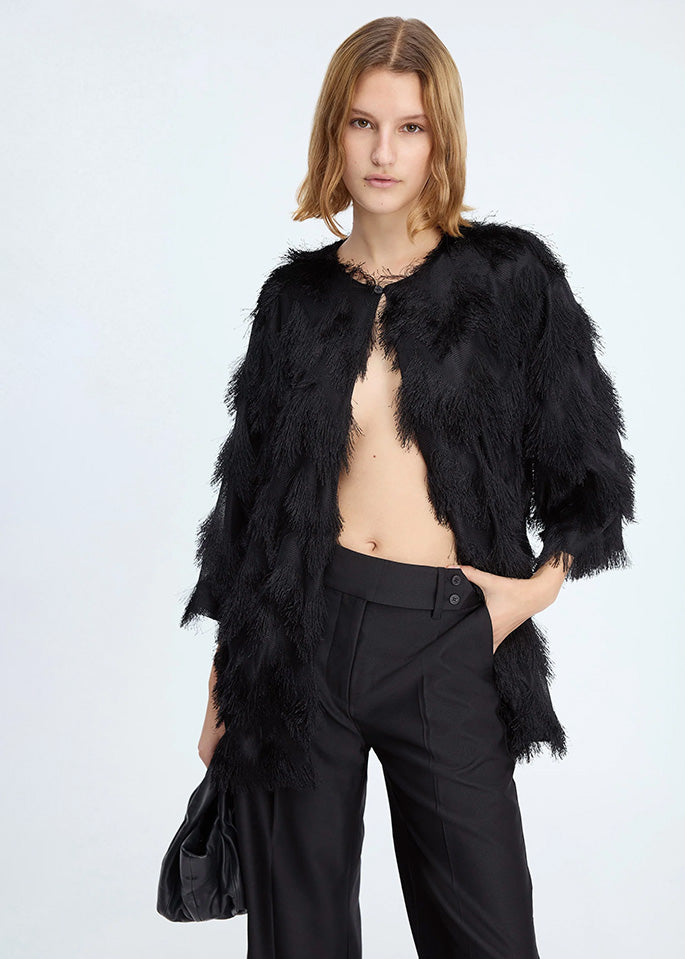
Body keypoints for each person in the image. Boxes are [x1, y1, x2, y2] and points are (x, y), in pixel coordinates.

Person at [184, 16, 636, 959]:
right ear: (333, 132)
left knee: (487, 935)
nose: (383, 152)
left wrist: (532, 592)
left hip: (444, 633)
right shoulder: (294, 301)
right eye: (362, 123)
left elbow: (588, 464)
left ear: (441, 139)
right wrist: (227, 674)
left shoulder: (509, 279)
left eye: (410, 127)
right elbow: (250, 498)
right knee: (298, 938)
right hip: (299, 635)